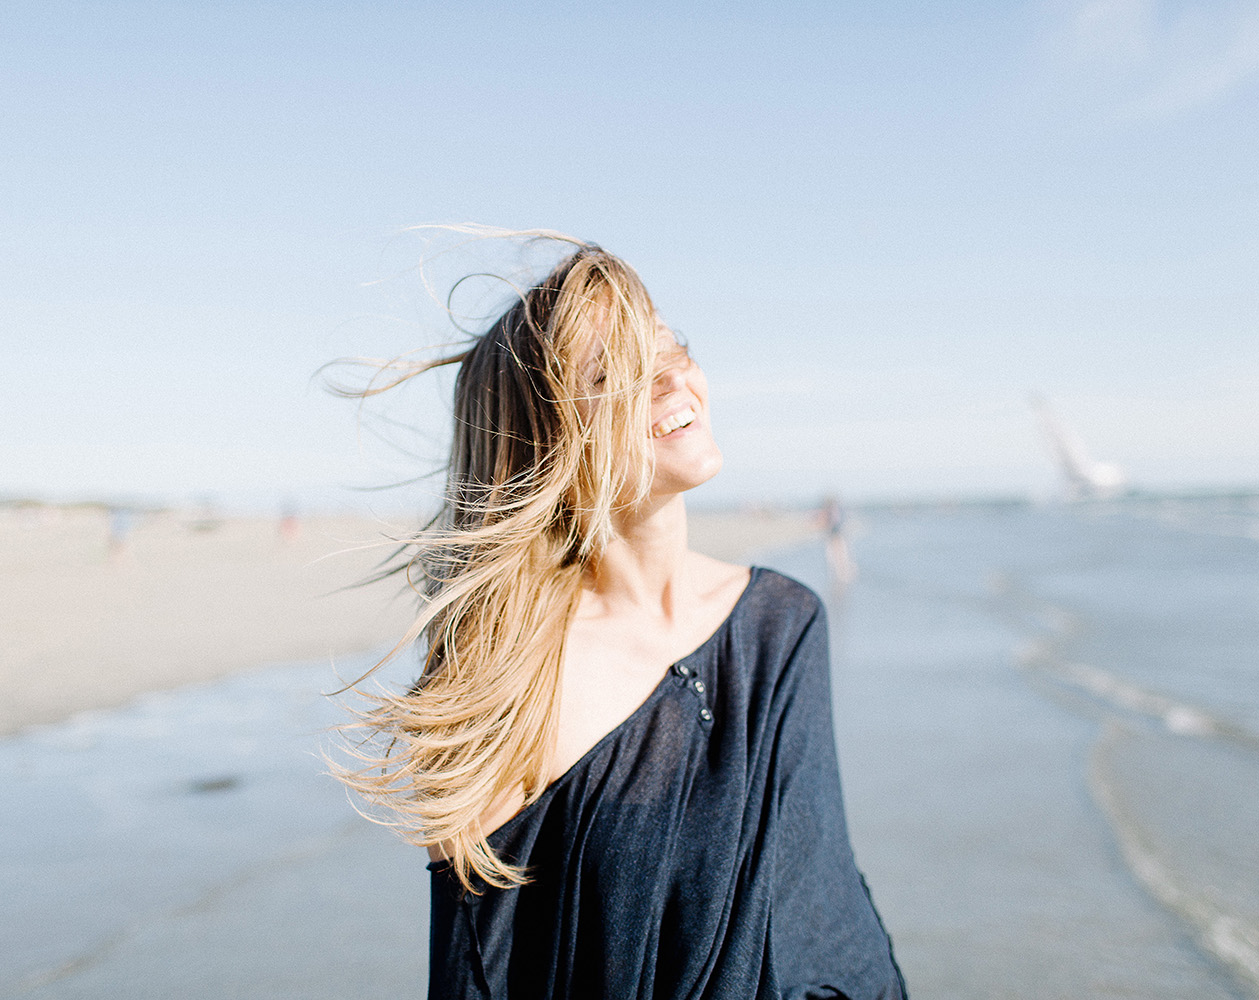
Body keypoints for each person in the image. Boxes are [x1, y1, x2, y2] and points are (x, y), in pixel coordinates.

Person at [332, 237, 905, 999]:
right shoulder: (504, 689)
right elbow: (477, 971)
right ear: (549, 442)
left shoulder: (782, 626)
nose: (673, 375)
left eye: (672, 345)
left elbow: (828, 921)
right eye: (618, 372)